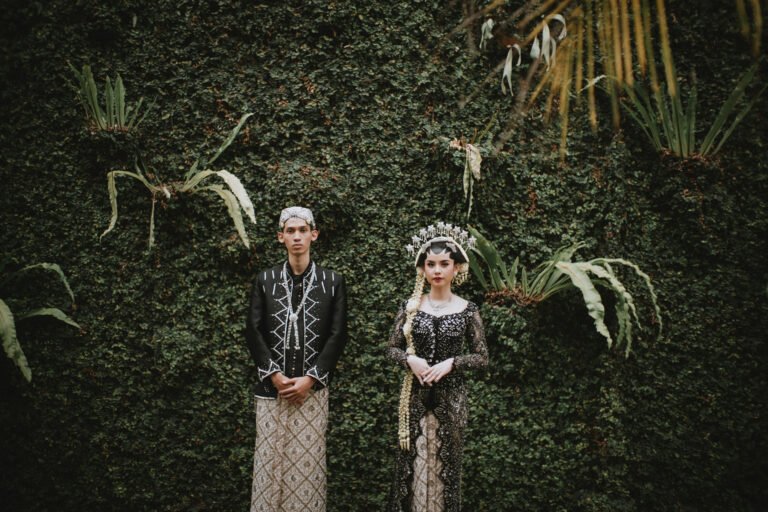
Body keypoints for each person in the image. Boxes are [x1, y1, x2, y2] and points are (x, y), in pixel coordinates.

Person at [245, 206, 348, 512]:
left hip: (311, 392)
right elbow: (253, 330)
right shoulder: (265, 280)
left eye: (303, 230)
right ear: (281, 237)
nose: (297, 236)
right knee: (269, 465)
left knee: (307, 468)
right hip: (271, 390)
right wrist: (274, 375)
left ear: (314, 235)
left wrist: (311, 378)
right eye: (290, 231)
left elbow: (338, 334)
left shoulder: (333, 281)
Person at [386, 222, 488, 512]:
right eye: (431, 264)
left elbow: (482, 357)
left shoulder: (468, 310)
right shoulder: (410, 307)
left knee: (447, 470)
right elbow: (391, 349)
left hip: (451, 401)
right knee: (412, 468)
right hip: (414, 401)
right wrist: (410, 360)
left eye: (444, 264)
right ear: (422, 269)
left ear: (457, 268)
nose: (437, 270)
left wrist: (452, 363)